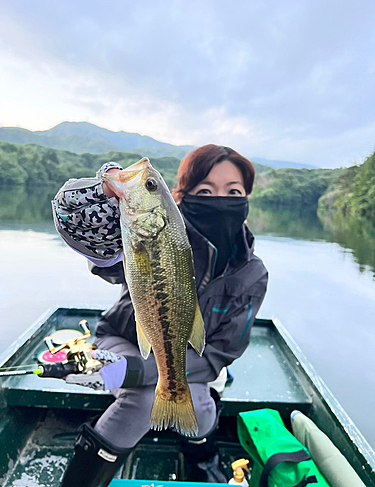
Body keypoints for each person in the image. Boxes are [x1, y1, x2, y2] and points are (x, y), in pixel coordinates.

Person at [52, 144, 268, 487]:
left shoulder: (252, 273)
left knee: (196, 405)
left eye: (233, 191)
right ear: (182, 195)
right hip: (123, 340)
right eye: (206, 190)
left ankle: (201, 458)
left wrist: (142, 371)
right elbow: (107, 263)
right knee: (141, 400)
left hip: (193, 361)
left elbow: (221, 352)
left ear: (246, 198)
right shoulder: (154, 230)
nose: (220, 199)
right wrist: (87, 213)